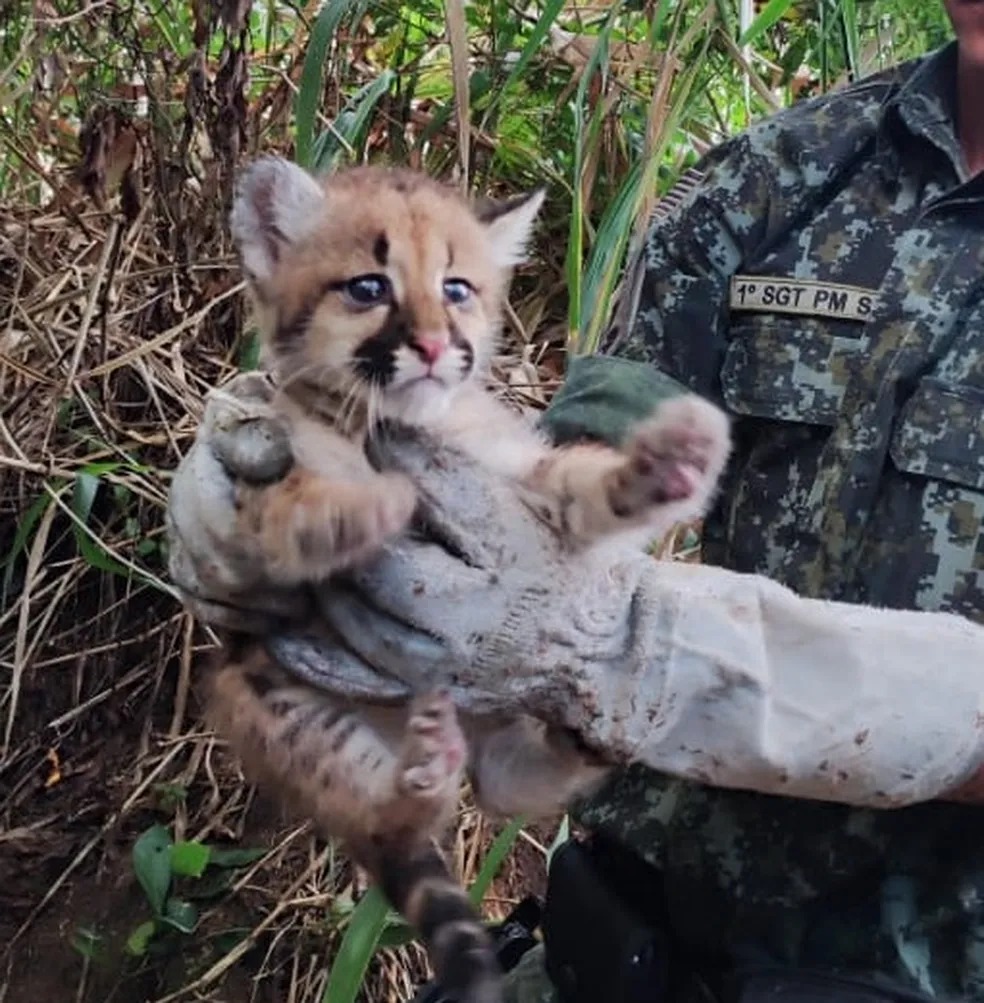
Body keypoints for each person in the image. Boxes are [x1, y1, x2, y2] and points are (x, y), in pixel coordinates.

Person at [166, 2, 984, 1001]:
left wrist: (659, 654)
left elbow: (615, 638)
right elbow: (593, 435)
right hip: (635, 935)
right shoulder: (781, 174)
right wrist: (457, 527)